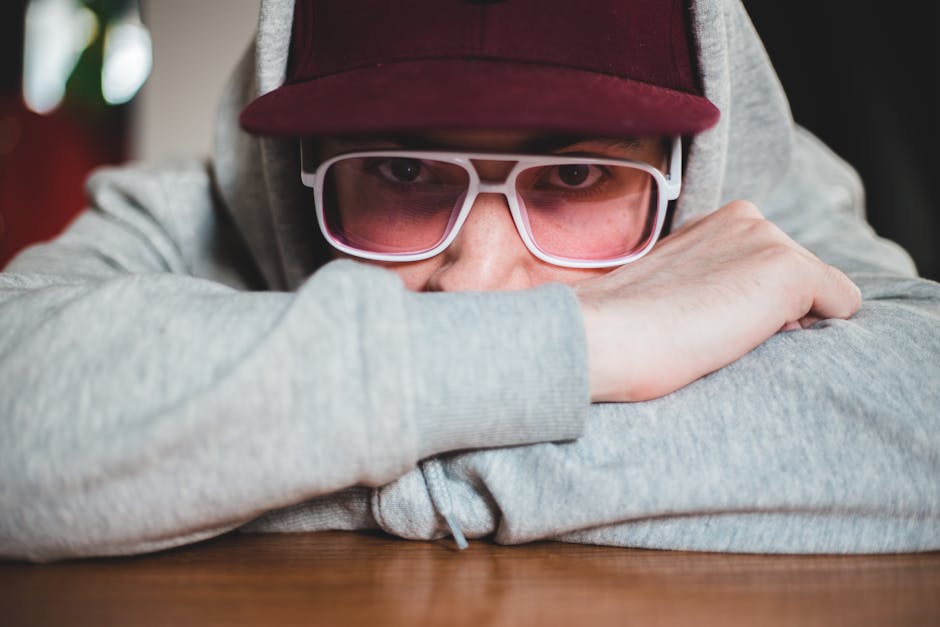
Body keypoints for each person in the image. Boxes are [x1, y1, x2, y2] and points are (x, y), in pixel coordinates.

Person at [1, 0, 937, 562]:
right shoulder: (195, 205)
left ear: (689, 174)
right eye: (404, 173)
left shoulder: (760, 203)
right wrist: (585, 347)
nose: (482, 282)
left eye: (574, 177)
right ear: (304, 162)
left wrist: (237, 460)